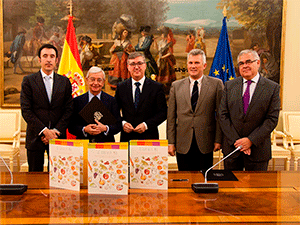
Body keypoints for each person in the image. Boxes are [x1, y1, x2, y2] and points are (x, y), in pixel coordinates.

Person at [219, 49, 280, 171]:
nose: (245, 66)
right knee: (231, 189)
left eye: (248, 62)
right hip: (232, 149)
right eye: (241, 63)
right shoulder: (229, 86)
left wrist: (251, 140)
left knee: (257, 189)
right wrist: (238, 142)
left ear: (258, 63)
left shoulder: (272, 88)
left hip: (258, 150)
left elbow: (271, 119)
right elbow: (223, 115)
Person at [167, 49, 224, 171]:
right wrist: (170, 142)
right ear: (187, 65)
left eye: (197, 63)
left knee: (204, 179)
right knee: (184, 180)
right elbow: (171, 117)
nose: (193, 66)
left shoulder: (216, 84)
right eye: (190, 63)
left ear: (204, 65)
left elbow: (220, 115)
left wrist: (218, 140)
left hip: (206, 142)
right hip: (182, 142)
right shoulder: (176, 86)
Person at [20, 44, 73, 172]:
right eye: (45, 56)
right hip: (35, 137)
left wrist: (55, 131)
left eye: (52, 56)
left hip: (58, 137)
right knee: (34, 179)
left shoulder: (65, 82)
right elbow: (26, 110)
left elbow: (69, 109)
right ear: (39, 60)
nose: (48, 60)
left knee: (59, 177)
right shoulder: (28, 81)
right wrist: (45, 131)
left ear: (56, 60)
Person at [115, 52, 167, 142]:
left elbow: (163, 113)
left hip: (149, 138)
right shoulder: (121, 87)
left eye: (139, 63)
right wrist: (123, 123)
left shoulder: (156, 87)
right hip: (127, 138)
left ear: (145, 65)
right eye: (132, 64)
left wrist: (146, 125)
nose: (136, 67)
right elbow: (114, 111)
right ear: (128, 67)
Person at [68, 66, 122, 142]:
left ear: (103, 82)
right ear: (87, 80)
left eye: (99, 80)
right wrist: (85, 129)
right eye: (92, 79)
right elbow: (71, 126)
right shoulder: (77, 101)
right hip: (84, 145)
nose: (95, 83)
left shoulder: (112, 101)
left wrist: (105, 128)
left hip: (106, 146)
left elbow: (118, 125)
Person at [155, 27, 176, 96]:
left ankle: (167, 91)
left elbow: (170, 53)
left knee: (167, 76)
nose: (161, 35)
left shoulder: (169, 43)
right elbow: (158, 50)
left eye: (162, 34)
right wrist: (155, 42)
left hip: (166, 60)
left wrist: (163, 57)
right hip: (160, 59)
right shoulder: (160, 42)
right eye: (161, 34)